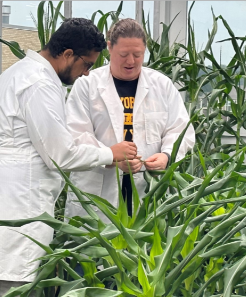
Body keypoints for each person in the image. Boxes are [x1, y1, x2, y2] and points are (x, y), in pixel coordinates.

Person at [0, 18, 137, 296]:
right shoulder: (40, 84)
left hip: (7, 193)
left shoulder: (17, 73)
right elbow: (59, 154)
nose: (86, 74)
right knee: (19, 283)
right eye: (87, 65)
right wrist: (110, 153)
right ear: (68, 54)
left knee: (9, 281)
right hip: (20, 199)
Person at [64, 18, 195, 221]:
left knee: (146, 247)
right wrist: (111, 158)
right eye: (124, 55)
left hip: (148, 191)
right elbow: (76, 135)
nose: (131, 61)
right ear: (109, 48)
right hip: (98, 193)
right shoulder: (87, 86)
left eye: (138, 55)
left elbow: (180, 129)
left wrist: (167, 156)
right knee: (96, 249)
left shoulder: (162, 86)